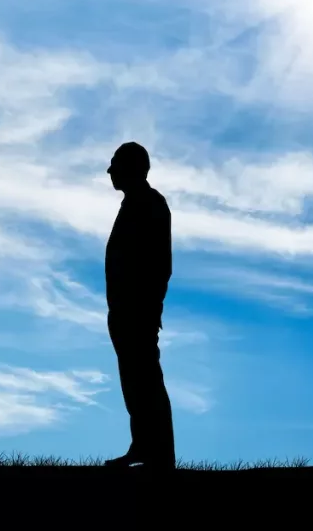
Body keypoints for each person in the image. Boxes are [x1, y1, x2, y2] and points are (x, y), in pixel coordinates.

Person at [104, 142, 176, 469]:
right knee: (134, 382)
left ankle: (158, 454)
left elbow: (159, 264)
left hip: (138, 311)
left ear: (133, 167)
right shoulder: (135, 203)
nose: (110, 171)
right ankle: (144, 446)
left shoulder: (149, 204)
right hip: (124, 311)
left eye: (116, 164)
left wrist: (148, 306)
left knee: (146, 380)